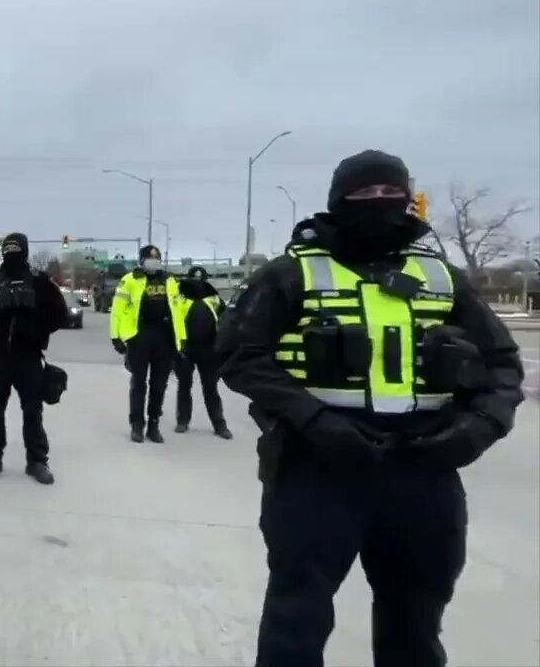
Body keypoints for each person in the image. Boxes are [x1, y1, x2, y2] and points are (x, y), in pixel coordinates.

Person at [217, 150, 524, 667]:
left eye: (391, 194)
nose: (379, 204)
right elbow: (238, 354)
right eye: (364, 194)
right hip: (317, 466)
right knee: (297, 621)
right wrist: (311, 418)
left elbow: (502, 365)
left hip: (423, 469)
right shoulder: (291, 274)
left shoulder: (444, 279)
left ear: (408, 199)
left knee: (416, 624)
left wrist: (477, 428)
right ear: (338, 201)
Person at [0, 232, 68, 484]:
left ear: (24, 251)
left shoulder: (39, 281)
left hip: (29, 357)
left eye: (16, 249)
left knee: (33, 411)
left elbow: (59, 315)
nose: (11, 255)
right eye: (8, 249)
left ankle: (36, 461)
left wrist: (36, 327)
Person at [110, 244, 184, 443]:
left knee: (159, 385)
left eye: (157, 258)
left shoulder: (170, 280)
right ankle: (137, 425)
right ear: (141, 261)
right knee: (139, 383)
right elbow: (117, 309)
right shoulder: (130, 280)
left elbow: (178, 311)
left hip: (164, 337)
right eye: (150, 258)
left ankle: (153, 424)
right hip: (140, 335)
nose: (154, 261)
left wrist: (181, 340)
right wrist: (116, 336)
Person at [173, 265, 232, 439]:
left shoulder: (213, 299)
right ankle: (182, 421)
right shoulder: (180, 298)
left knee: (211, 387)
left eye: (201, 278)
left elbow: (226, 320)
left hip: (209, 349)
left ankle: (219, 425)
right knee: (184, 385)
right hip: (186, 349)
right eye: (194, 278)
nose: (198, 282)